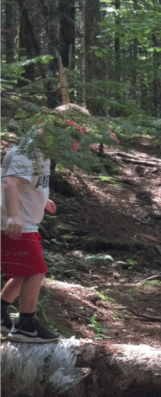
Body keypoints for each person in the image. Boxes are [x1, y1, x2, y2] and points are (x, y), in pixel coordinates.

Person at [0, 106, 85, 342]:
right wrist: (14, 215)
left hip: (25, 221)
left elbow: (22, 181)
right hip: (18, 223)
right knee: (36, 271)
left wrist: (41, 197)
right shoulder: (28, 150)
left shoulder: (39, 150)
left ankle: (0, 311)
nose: (74, 147)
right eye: (73, 139)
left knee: (21, 274)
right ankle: (27, 325)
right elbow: (9, 182)